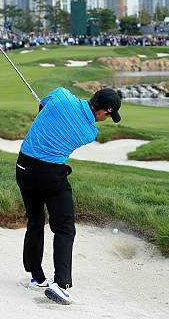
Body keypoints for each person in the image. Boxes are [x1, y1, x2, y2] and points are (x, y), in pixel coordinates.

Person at [15, 87, 122, 305]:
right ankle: (61, 285)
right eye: (109, 115)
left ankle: (37, 277)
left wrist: (47, 113)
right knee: (64, 227)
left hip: (23, 167)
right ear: (103, 112)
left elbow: (42, 105)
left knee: (35, 220)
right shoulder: (89, 133)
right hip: (50, 175)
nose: (107, 119)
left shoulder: (62, 95)